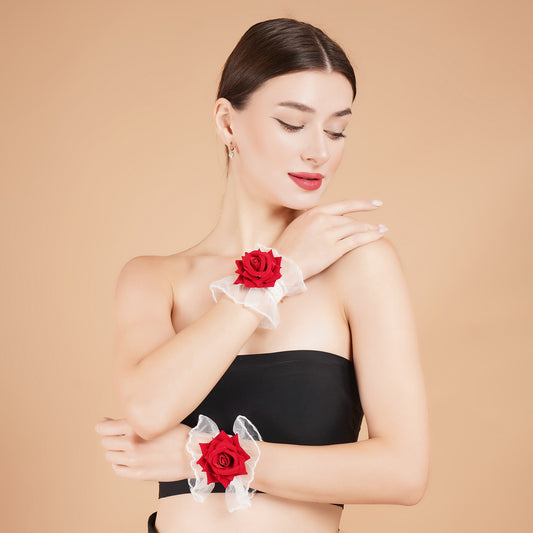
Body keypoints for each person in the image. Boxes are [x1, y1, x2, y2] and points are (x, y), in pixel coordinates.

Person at [94, 17, 429, 533]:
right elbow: (148, 409)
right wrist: (273, 274)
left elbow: (403, 474)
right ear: (227, 123)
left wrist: (206, 454)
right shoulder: (153, 279)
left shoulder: (360, 264)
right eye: (293, 124)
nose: (319, 151)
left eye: (337, 130)